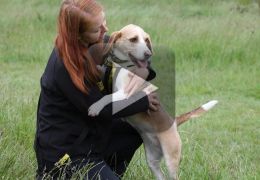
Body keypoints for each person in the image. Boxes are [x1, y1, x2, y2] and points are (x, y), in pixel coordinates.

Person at [34, 0, 159, 179]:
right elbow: (102, 110)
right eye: (96, 29)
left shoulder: (93, 42)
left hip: (90, 137)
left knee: (137, 127)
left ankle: (110, 171)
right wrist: (143, 100)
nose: (105, 30)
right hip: (67, 154)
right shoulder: (64, 67)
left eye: (104, 22)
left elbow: (129, 48)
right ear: (77, 34)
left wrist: (143, 70)